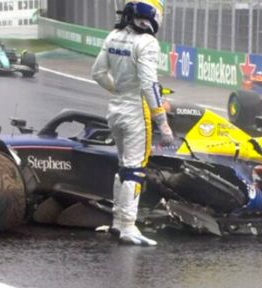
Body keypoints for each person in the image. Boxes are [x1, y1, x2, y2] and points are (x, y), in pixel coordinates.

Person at [92, 0, 173, 246]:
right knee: (135, 169)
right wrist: (163, 122)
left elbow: (97, 73)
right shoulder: (147, 42)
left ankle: (118, 222)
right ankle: (128, 225)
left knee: (123, 167)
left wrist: (118, 90)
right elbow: (150, 85)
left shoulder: (113, 36)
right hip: (136, 111)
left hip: (115, 109)